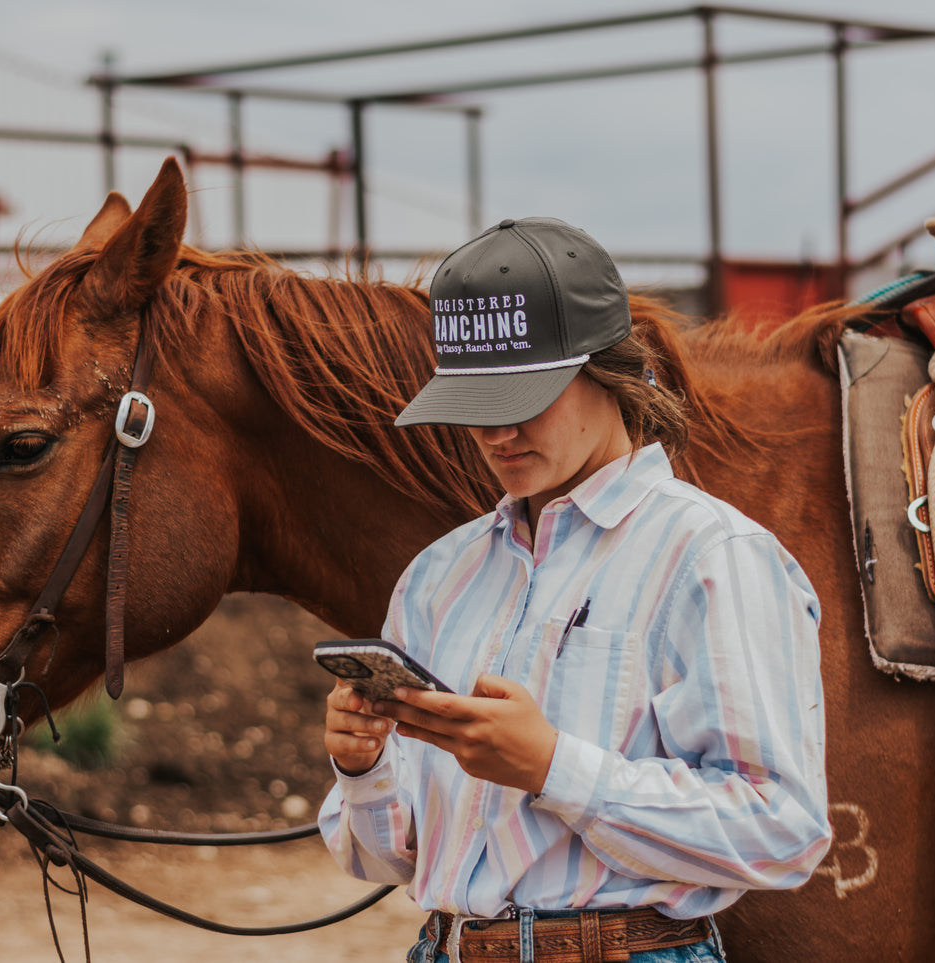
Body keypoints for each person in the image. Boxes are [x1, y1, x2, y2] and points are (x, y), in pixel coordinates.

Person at [318, 217, 831, 963]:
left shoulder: (714, 557)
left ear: (609, 371)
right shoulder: (438, 576)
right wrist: (362, 769)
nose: (496, 433)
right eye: (475, 405)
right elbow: (387, 860)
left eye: (523, 398)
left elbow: (782, 828)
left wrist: (551, 766)